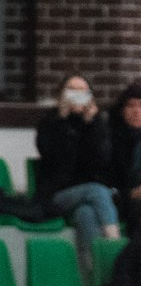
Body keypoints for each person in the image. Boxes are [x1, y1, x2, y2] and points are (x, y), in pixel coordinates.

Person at [35, 73, 119, 271]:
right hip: (56, 194)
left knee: (86, 214)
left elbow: (102, 160)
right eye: (72, 91)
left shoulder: (96, 124)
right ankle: (115, 247)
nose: (77, 96)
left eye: (82, 92)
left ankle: (94, 272)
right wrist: (62, 120)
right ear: (61, 95)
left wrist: (92, 125)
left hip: (85, 197)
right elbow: (50, 155)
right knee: (99, 191)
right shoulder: (50, 122)